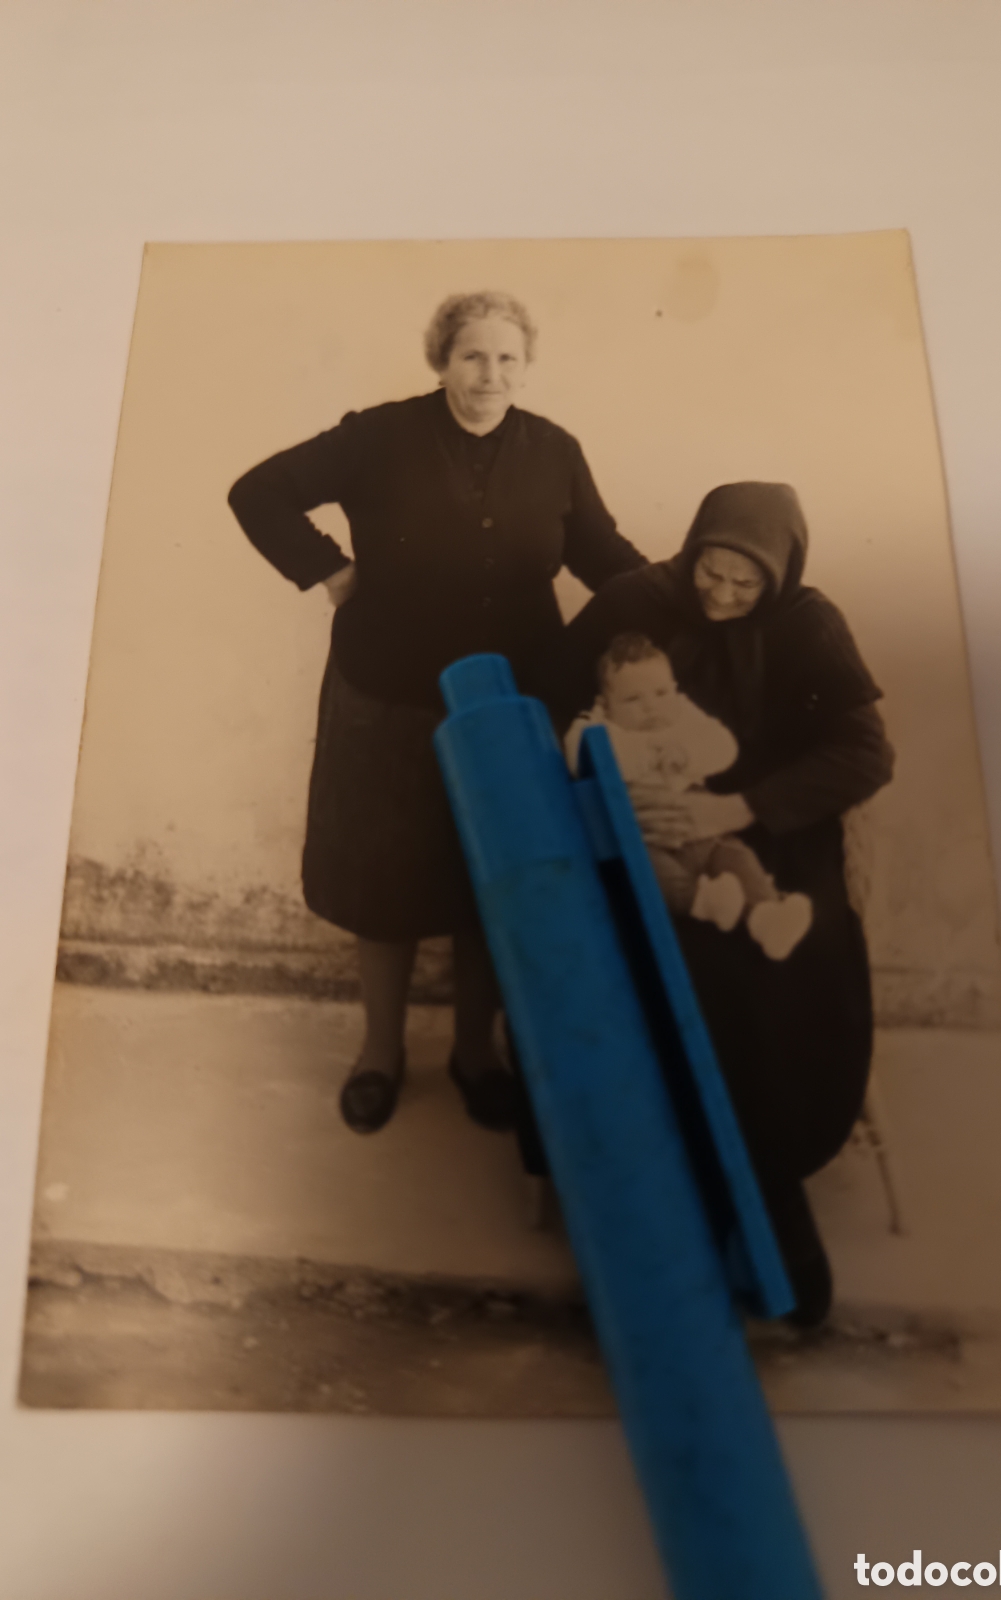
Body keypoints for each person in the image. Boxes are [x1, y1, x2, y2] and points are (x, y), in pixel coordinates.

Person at [228, 291, 645, 1137]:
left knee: (495, 883)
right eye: (472, 357)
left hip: (513, 703)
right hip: (388, 700)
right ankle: (380, 1055)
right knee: (384, 886)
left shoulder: (556, 451)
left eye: (507, 360)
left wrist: (677, 610)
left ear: (525, 368)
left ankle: (475, 1054)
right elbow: (259, 490)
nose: (490, 376)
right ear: (442, 360)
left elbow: (604, 557)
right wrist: (330, 572)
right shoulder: (377, 437)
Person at [544, 482, 894, 1326]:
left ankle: (768, 1206)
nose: (723, 595)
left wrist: (740, 807)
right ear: (693, 545)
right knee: (637, 967)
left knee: (767, 975)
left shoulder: (810, 624)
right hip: (636, 842)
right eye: (713, 570)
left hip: (767, 833)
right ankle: (668, 1205)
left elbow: (864, 753)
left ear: (780, 576)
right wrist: (611, 800)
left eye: (748, 582)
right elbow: (549, 706)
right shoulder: (636, 601)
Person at [563, 632, 814, 959]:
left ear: (675, 690)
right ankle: (701, 901)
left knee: (737, 857)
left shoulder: (683, 716)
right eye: (633, 700)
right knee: (648, 875)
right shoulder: (598, 726)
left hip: (701, 832)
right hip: (645, 837)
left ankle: (766, 914)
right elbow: (576, 755)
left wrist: (687, 754)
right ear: (604, 704)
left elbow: (725, 747)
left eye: (661, 692)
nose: (651, 706)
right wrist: (647, 756)